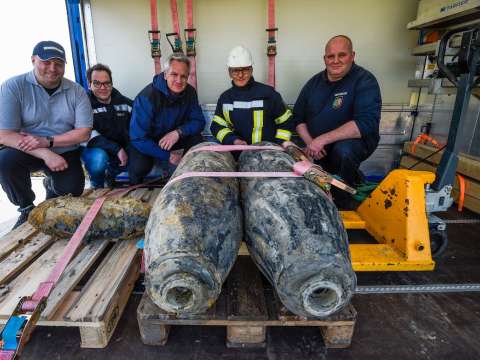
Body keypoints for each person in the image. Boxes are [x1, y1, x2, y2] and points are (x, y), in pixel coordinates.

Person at [0, 40, 92, 229]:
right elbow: (4, 134)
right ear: (33, 60)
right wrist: (45, 152)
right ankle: (26, 207)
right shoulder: (13, 87)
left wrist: (48, 142)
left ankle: (51, 185)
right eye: (46, 62)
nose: (52, 68)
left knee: (71, 191)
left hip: (65, 151)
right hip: (28, 149)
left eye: (58, 63)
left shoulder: (77, 91)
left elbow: (83, 133)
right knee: (4, 161)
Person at [293, 35, 381, 205]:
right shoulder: (313, 83)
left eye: (342, 55)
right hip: (318, 147)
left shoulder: (364, 81)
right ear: (324, 58)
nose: (335, 61)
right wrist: (311, 143)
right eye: (330, 56)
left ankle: (341, 204)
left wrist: (322, 139)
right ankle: (348, 181)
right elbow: (298, 118)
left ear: (352, 56)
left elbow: (366, 123)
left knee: (343, 151)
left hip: (354, 145)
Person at [129, 53, 205, 184]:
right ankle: (135, 188)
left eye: (183, 76)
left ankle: (193, 182)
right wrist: (167, 156)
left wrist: (178, 132)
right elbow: (138, 137)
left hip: (174, 138)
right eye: (174, 74)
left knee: (197, 140)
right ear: (165, 74)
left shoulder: (190, 92)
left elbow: (199, 121)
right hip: (149, 142)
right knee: (139, 167)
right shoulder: (146, 97)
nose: (179, 80)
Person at [210, 45, 293, 146]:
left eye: (245, 70)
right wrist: (233, 140)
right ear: (229, 73)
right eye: (236, 71)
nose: (240, 75)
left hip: (267, 155)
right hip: (237, 154)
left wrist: (279, 145)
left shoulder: (269, 94)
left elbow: (286, 122)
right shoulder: (225, 98)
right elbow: (217, 126)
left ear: (251, 70)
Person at [82, 64, 132, 188]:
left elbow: (141, 122)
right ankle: (97, 184)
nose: (103, 87)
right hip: (94, 148)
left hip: (119, 149)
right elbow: (88, 135)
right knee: (99, 160)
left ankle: (110, 176)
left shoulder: (125, 103)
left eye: (107, 83)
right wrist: (117, 149)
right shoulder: (83, 105)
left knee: (139, 153)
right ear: (89, 84)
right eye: (97, 83)